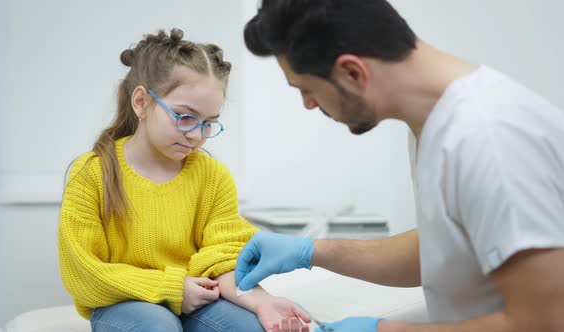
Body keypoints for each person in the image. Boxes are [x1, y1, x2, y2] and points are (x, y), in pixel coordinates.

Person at [235, 1, 564, 331]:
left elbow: (544, 323)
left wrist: (387, 330)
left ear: (352, 72)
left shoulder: (489, 140)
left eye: (306, 90)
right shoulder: (434, 123)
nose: (308, 105)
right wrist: (311, 251)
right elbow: (443, 251)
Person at [58, 28, 311, 332]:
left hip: (197, 297)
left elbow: (223, 258)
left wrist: (262, 302)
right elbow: (83, 274)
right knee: (158, 327)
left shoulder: (212, 176)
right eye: (184, 116)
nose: (195, 135)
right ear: (141, 102)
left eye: (208, 123)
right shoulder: (93, 173)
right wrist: (173, 289)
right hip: (122, 302)